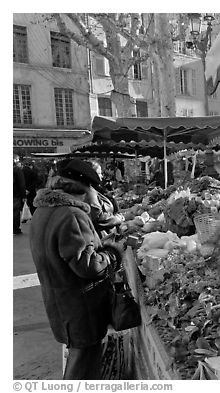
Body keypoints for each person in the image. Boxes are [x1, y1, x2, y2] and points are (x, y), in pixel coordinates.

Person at [29, 159, 124, 379]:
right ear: (83, 188)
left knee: (78, 359)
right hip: (80, 306)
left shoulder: (43, 209)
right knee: (82, 365)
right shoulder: (72, 215)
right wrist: (113, 251)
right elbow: (89, 267)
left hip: (60, 300)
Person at [87, 161, 124, 239]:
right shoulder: (89, 193)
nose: (102, 176)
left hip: (107, 234)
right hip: (101, 237)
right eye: (99, 173)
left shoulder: (97, 189)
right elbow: (99, 219)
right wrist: (118, 218)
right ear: (91, 174)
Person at [13, 154, 26, 235]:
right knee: (15, 212)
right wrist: (23, 195)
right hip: (15, 194)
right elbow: (21, 184)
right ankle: (15, 229)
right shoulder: (16, 170)